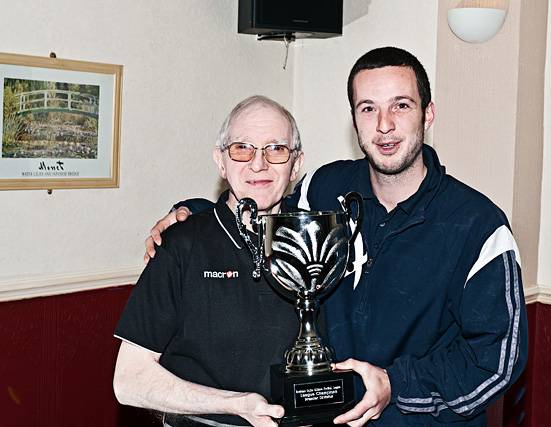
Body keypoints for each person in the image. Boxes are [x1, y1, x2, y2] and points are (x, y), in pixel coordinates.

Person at [146, 47, 528, 426]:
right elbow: (264, 207)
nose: (384, 125)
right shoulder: (324, 189)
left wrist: (396, 384)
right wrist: (194, 213)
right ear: (354, 119)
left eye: (401, 106)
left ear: (428, 114)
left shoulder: (478, 225)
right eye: (368, 108)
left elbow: (495, 362)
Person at [113, 95, 305, 427]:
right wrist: (235, 405)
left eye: (276, 149)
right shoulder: (180, 245)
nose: (258, 164)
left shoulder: (315, 244)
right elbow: (129, 381)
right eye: (242, 148)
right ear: (220, 161)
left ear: (296, 163)